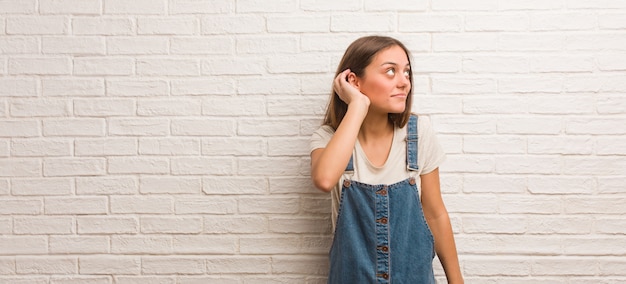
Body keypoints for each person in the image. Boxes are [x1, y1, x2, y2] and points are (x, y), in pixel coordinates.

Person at [309, 35, 464, 283]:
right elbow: (325, 179)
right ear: (353, 81)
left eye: (407, 73)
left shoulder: (419, 132)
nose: (404, 82)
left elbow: (435, 213)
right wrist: (358, 105)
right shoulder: (328, 138)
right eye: (390, 71)